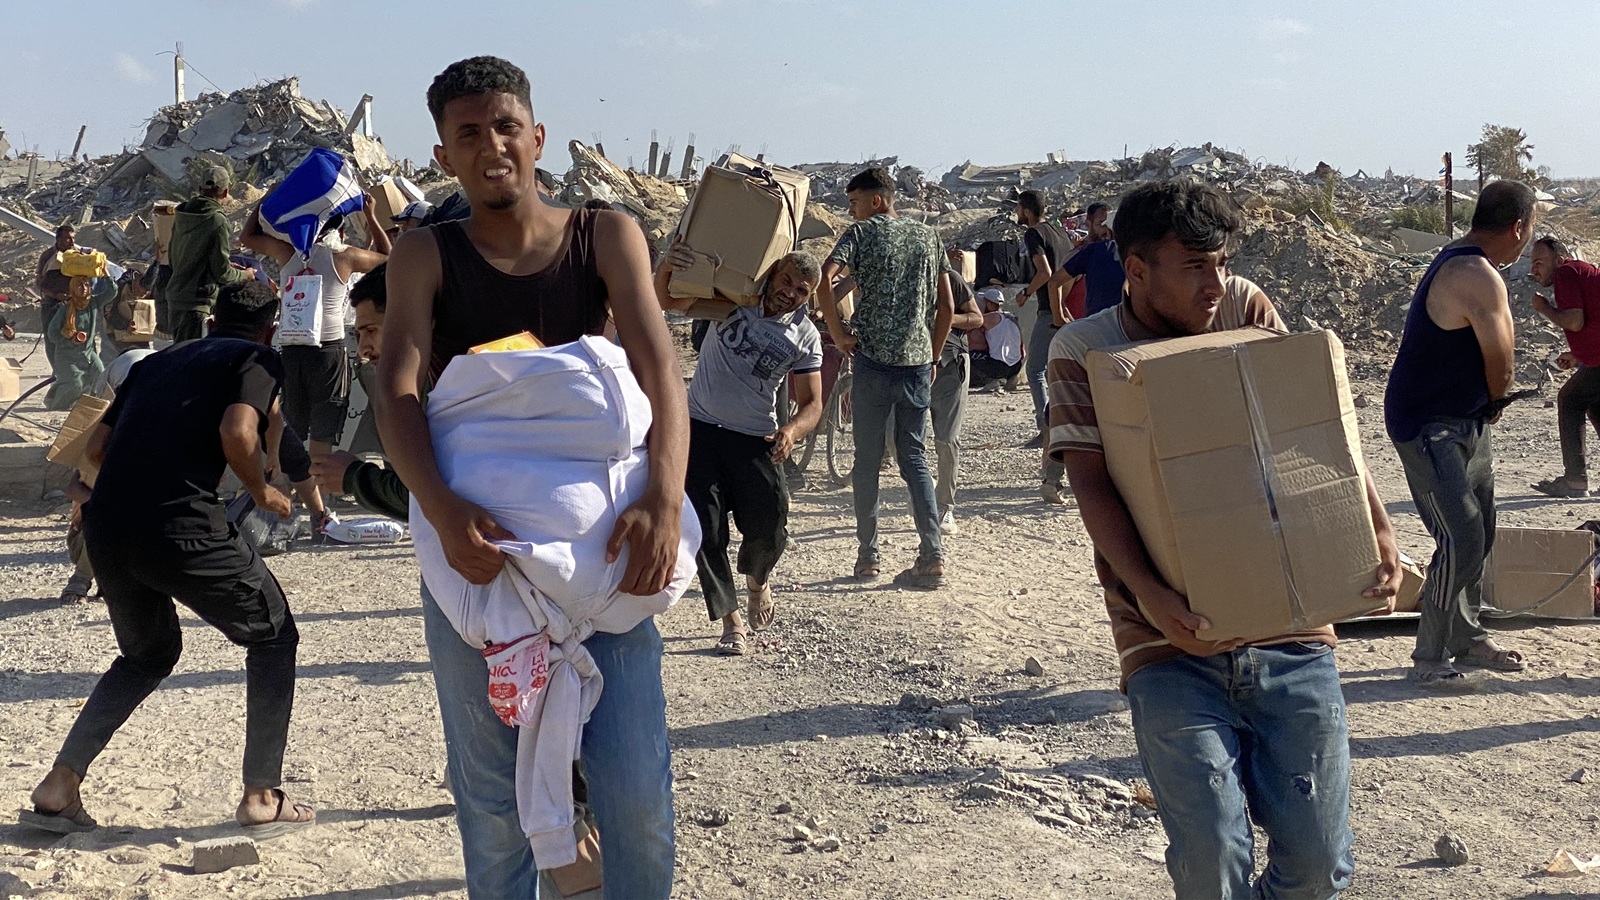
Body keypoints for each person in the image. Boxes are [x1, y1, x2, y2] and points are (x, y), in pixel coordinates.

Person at [375, 56, 685, 899]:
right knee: (491, 801)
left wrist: (663, 500)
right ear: (444, 155)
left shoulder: (605, 234)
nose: (492, 146)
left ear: (538, 136)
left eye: (506, 126)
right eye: (469, 133)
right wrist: (443, 512)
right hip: (479, 557)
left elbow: (659, 369)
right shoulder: (424, 255)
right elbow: (396, 389)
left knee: (635, 793)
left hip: (601, 549)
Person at [1048, 178, 1402, 899]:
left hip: (1291, 628)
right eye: (1194, 267)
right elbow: (1092, 484)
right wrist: (1153, 599)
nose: (1215, 284)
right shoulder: (1085, 349)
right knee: (1211, 855)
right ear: (1136, 268)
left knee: (1319, 868)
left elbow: (1312, 425)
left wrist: (1377, 527)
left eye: (1221, 263)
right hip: (1166, 642)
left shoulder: (1244, 307)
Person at [23, 279, 314, 840]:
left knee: (146, 655)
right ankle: (261, 796)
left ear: (210, 323)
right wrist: (262, 492)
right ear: (270, 330)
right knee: (274, 636)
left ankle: (59, 786)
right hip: (184, 526)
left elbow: (95, 450)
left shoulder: (154, 364)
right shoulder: (258, 358)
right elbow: (237, 431)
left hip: (107, 527)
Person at [1386, 180, 1538, 689]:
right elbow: (1502, 355)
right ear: (1517, 227)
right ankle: (1428, 657)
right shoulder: (1476, 274)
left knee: (1481, 531)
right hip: (1429, 424)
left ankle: (1467, 637)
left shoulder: (1462, 258)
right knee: (1461, 536)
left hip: (1462, 417)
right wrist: (1496, 400)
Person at [655, 245, 823, 655]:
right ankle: (731, 620)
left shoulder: (805, 336)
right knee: (706, 531)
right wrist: (666, 266)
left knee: (770, 524)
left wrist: (792, 431)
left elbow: (813, 403)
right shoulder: (733, 302)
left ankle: (757, 580)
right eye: (786, 281)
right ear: (773, 273)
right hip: (699, 431)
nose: (790, 293)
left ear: (809, 296)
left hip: (755, 437)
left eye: (801, 290)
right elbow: (666, 301)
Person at [817, 167, 954, 587]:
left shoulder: (862, 233)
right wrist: (932, 355)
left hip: (873, 362)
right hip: (916, 365)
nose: (851, 211)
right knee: (914, 458)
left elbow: (824, 278)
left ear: (876, 200)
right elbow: (947, 307)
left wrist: (838, 333)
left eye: (854, 202)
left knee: (867, 459)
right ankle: (932, 554)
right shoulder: (929, 237)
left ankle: (868, 556)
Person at [243, 188, 389, 472]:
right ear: (340, 231)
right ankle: (319, 486)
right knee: (324, 427)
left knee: (293, 426)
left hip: (292, 350)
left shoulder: (287, 252)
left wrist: (267, 197)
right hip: (327, 351)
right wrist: (370, 215)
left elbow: (247, 237)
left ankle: (292, 484)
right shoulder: (344, 257)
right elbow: (388, 256)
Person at [309, 263, 410, 520]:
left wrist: (353, 477)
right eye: (357, 335)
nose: (363, 349)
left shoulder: (452, 389)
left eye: (371, 331)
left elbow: (423, 500)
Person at [1014, 190, 1077, 503]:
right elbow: (1071, 271)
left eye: (1018, 209)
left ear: (1026, 211)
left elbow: (1045, 272)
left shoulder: (1033, 234)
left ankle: (1046, 426)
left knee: (1035, 370)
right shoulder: (1060, 232)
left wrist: (1027, 293)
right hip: (1066, 311)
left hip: (1048, 313)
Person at [1528, 236, 1600, 498]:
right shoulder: (1580, 271)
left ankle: (1575, 481)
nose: (1534, 269)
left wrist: (1544, 308)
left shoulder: (1566, 273)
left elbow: (1574, 321)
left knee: (1570, 400)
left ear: (1558, 260)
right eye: (1532, 264)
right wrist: (1577, 355)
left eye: (1539, 262)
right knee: (1593, 403)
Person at [166, 166, 256, 342]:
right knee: (195, 357)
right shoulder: (217, 220)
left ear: (200, 189)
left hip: (176, 301)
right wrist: (246, 274)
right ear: (225, 192)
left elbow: (173, 259)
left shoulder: (182, 215)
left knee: (181, 353)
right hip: (198, 305)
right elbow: (223, 274)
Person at [933, 248, 984, 533]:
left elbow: (976, 318)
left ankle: (944, 506)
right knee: (896, 438)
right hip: (910, 365)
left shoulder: (949, 278)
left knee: (947, 438)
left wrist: (947, 318)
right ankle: (923, 484)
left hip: (950, 365)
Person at [1054, 202, 1125, 316]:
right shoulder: (1076, 256)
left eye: (1108, 223)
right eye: (1100, 223)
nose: (1106, 229)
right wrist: (1069, 323)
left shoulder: (1118, 256)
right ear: (1088, 223)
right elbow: (1060, 299)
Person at [35, 225, 84, 367]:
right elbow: (39, 282)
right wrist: (55, 295)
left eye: (72, 238)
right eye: (67, 238)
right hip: (51, 304)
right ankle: (56, 370)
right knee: (52, 338)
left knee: (75, 336)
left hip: (73, 304)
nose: (71, 242)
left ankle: (72, 370)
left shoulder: (78, 256)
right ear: (58, 239)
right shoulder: (47, 256)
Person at [968, 287, 1024, 389]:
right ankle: (1011, 378)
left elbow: (971, 323)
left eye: (984, 302)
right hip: (1016, 365)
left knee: (969, 355)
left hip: (998, 367)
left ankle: (992, 380)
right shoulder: (1011, 317)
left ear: (989, 304)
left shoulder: (990, 318)